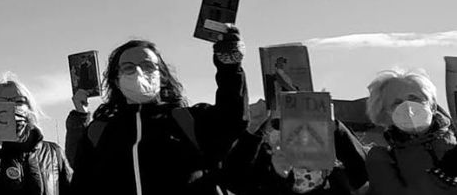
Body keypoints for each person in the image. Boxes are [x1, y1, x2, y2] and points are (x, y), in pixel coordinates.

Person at [66, 30, 246, 195]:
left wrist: (229, 66)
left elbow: (232, 118)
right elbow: (82, 186)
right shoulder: (99, 131)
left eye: (147, 66)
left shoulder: (189, 119)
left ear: (161, 75)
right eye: (128, 67)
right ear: (116, 79)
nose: (138, 72)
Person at [221, 99, 368, 194]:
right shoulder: (268, 159)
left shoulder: (332, 170)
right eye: (279, 124)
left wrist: (336, 129)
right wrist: (252, 130)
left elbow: (363, 176)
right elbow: (233, 180)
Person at [0, 75, 69, 195]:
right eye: (1, 102)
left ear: (30, 108)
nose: (12, 107)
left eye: (19, 101)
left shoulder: (52, 153)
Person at [363, 70, 457, 195]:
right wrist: (444, 174)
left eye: (415, 98)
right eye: (397, 103)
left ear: (432, 106)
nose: (408, 108)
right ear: (386, 114)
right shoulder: (382, 158)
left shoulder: (454, 144)